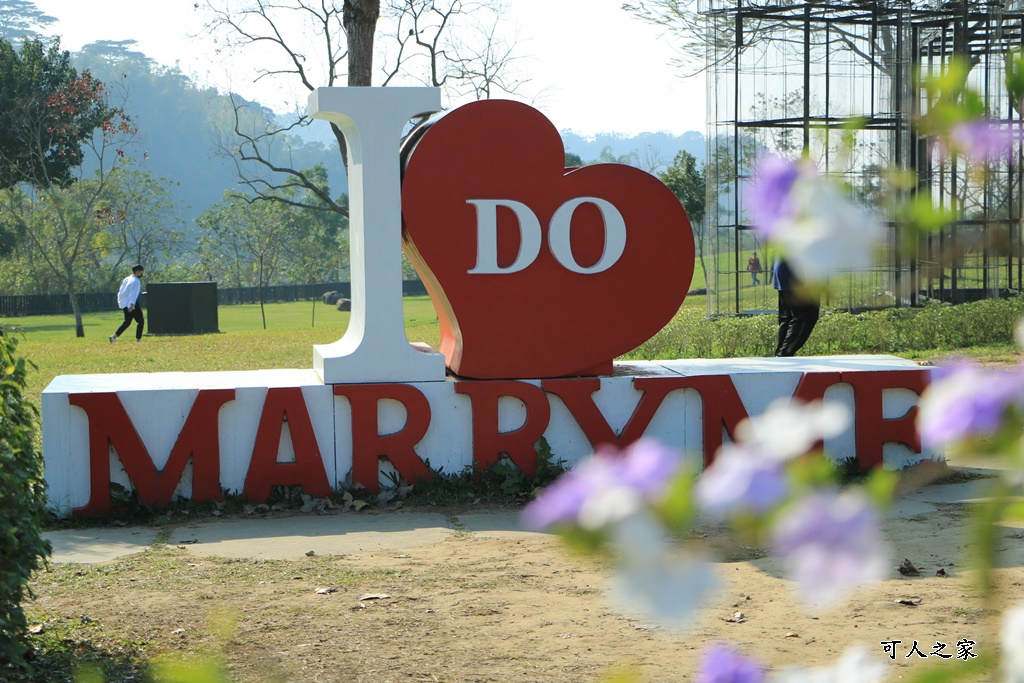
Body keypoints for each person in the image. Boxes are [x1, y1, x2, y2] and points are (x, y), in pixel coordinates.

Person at [773, 258, 819, 357]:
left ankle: (780, 355)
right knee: (807, 315)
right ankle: (784, 354)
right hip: (796, 273)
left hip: (784, 269)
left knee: (788, 317)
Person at [110, 265, 145, 343]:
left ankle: (114, 337)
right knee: (141, 321)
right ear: (137, 271)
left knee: (127, 322)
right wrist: (132, 305)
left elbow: (124, 291)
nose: (141, 274)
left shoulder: (127, 279)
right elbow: (132, 294)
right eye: (140, 272)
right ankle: (138, 339)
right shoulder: (136, 281)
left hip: (124, 302)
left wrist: (137, 293)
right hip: (131, 303)